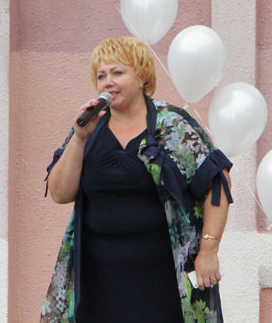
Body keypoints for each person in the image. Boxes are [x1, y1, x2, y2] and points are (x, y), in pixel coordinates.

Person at [41, 37, 233, 323]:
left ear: (142, 76)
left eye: (117, 73)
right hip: (99, 280)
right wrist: (79, 138)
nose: (108, 82)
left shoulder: (171, 124)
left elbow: (218, 183)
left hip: (164, 278)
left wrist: (209, 250)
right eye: (101, 76)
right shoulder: (90, 127)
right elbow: (59, 193)